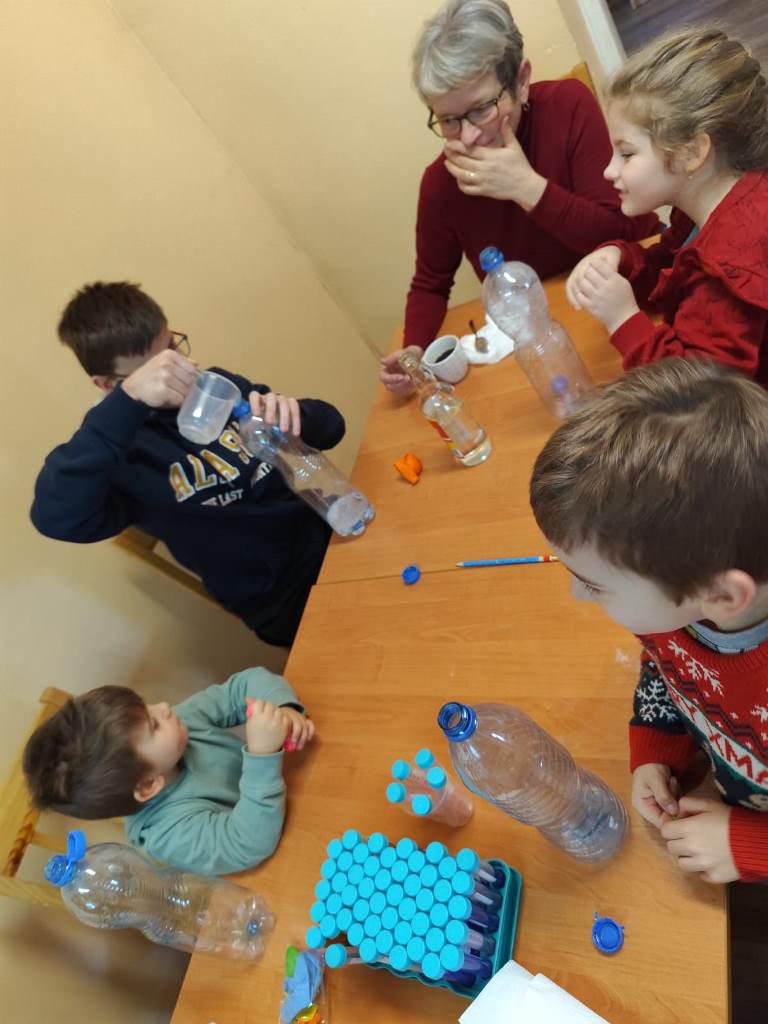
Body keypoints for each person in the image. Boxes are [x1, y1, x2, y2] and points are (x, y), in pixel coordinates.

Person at [529, 357, 768, 884]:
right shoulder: (677, 611)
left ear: (721, 595)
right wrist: (657, 748)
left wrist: (747, 846)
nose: (576, 594)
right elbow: (668, 667)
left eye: (594, 583)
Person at [30, 281, 346, 647]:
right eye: (155, 373)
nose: (183, 374)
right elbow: (55, 517)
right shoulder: (119, 454)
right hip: (283, 600)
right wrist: (126, 405)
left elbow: (332, 427)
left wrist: (296, 416)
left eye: (173, 351)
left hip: (328, 533)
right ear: (108, 385)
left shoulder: (217, 388)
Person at [381, 0, 657, 394]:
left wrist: (526, 187)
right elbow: (430, 283)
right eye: (448, 119)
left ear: (521, 81)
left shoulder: (567, 105)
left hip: (636, 288)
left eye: (481, 109)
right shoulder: (441, 182)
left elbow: (624, 232)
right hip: (548, 333)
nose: (468, 136)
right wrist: (414, 348)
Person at [566, 27, 768, 385]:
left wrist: (623, 319)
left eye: (627, 153)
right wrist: (622, 259)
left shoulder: (730, 266)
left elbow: (703, 396)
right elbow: (676, 271)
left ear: (691, 153)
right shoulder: (707, 207)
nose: (609, 170)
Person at [23, 667, 314, 874]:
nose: (163, 707)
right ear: (148, 785)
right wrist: (262, 754)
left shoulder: (180, 724)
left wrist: (283, 709)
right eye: (154, 725)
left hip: (297, 793)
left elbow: (245, 685)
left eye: (145, 706)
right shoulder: (166, 835)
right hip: (284, 858)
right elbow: (248, 843)